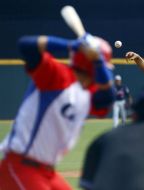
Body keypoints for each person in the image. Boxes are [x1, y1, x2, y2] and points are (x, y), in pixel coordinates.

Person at [0, 30, 115, 189]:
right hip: (21, 166)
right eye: (103, 66)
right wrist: (72, 45)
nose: (106, 71)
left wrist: (97, 61)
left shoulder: (88, 93)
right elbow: (26, 45)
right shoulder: (56, 74)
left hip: (48, 172)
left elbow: (108, 98)